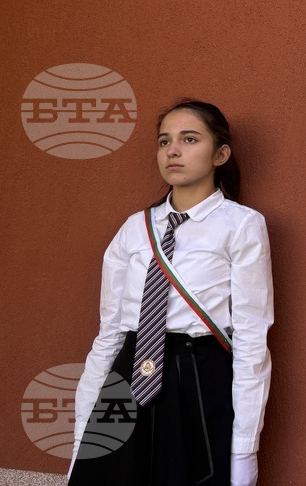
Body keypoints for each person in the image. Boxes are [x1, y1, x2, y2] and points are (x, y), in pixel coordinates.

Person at [68, 100, 274, 486]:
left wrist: (244, 448)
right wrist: (83, 432)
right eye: (165, 141)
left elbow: (251, 341)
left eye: (189, 139)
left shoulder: (241, 226)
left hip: (196, 377)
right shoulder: (135, 228)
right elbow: (110, 334)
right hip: (127, 374)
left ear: (220, 154)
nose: (173, 151)